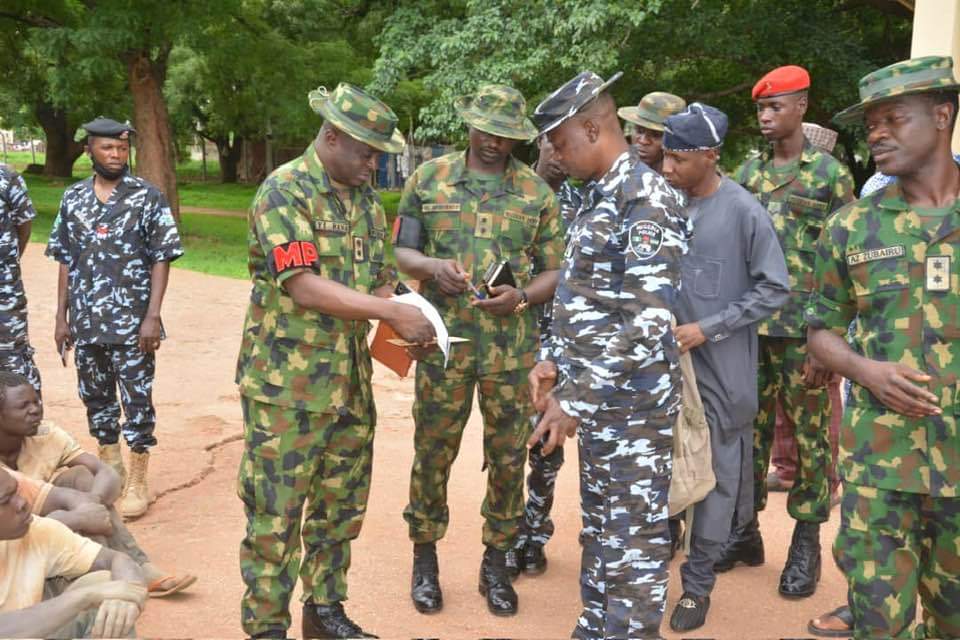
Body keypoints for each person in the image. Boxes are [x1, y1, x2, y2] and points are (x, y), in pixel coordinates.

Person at [235, 83, 434, 639]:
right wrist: (388, 309)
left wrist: (410, 324)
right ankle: (267, 628)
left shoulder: (365, 198)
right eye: (367, 152)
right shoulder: (285, 191)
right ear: (331, 137)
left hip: (348, 383)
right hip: (286, 390)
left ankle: (324, 613)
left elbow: (378, 282)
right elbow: (303, 286)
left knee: (338, 508)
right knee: (275, 517)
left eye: (379, 153)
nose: (375, 163)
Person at [528, 70, 690, 639]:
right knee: (600, 530)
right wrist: (551, 357)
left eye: (560, 140)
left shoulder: (647, 199)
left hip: (633, 407)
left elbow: (648, 317)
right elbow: (580, 294)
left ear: (594, 127)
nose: (554, 153)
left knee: (633, 543)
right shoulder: (594, 197)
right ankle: (596, 625)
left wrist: (574, 397)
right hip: (597, 400)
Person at [394, 84, 563, 617]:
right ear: (468, 124)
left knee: (510, 456)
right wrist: (431, 269)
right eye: (486, 131)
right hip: (442, 344)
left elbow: (557, 270)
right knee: (433, 452)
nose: (494, 143)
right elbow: (402, 250)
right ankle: (425, 561)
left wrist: (522, 297)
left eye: (506, 135)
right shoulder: (428, 178)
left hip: (510, 352)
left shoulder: (536, 193)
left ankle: (496, 564)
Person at [806, 55, 960, 639]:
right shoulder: (851, 226)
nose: (876, 133)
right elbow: (818, 328)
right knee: (878, 625)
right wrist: (864, 370)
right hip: (880, 467)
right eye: (871, 123)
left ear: (941, 116)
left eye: (894, 119)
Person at [657, 103, 790, 631]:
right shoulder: (664, 205)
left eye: (678, 160)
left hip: (720, 372)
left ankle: (697, 589)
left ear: (710, 157)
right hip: (664, 371)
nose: (667, 169)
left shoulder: (743, 212)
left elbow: (775, 288)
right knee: (659, 471)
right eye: (665, 157)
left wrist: (709, 327)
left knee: (712, 483)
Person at [728, 65, 855, 598]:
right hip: (751, 332)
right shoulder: (746, 173)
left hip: (805, 335)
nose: (764, 116)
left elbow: (846, 261)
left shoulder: (830, 175)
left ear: (802, 106)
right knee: (747, 435)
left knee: (808, 442)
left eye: (775, 107)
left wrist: (830, 339)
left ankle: (805, 543)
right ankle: (746, 532)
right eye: (760, 108)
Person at [45, 117, 184, 520]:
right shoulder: (73, 199)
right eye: (108, 149)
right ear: (90, 150)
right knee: (96, 398)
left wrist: (152, 316)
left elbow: (162, 256)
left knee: (137, 400)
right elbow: (65, 260)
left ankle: (139, 479)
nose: (117, 156)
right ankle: (113, 466)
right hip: (87, 322)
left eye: (122, 149)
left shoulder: (146, 197)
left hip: (133, 323)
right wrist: (61, 316)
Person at [0, 371, 195, 598]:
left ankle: (133, 566)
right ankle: (112, 574)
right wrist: (79, 517)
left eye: (36, 401)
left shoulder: (46, 434)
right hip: (15, 537)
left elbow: (107, 473)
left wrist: (91, 504)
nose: (35, 410)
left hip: (48, 523)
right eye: (23, 406)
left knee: (81, 477)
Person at [505, 135, 579, 580]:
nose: (564, 155)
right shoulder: (514, 193)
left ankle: (535, 532)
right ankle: (509, 533)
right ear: (543, 147)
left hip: (562, 337)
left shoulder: (582, 199)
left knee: (548, 444)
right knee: (510, 440)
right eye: (556, 147)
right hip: (515, 335)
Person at [0, 466, 147, 639]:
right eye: (4, 500)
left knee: (108, 586)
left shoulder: (36, 530)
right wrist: (83, 597)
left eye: (16, 492)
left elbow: (118, 559)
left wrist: (126, 595)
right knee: (97, 593)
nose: (23, 503)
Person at [0, 165, 41, 398]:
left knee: (13, 362)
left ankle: (26, 432)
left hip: (4, 294)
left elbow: (23, 226)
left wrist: (7, 265)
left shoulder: (6, 178)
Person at [617, 91, 687, 174]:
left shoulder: (682, 181)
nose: (643, 141)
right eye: (639, 131)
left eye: (656, 135)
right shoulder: (617, 167)